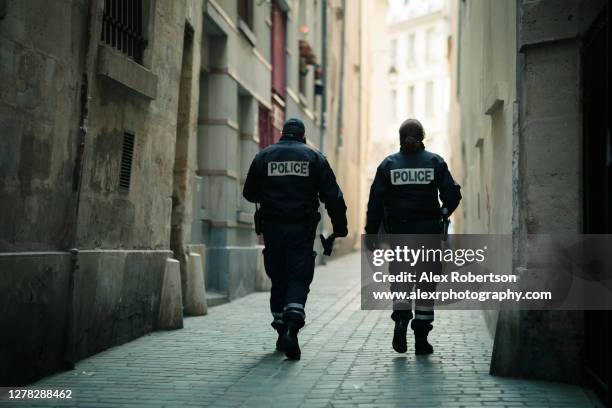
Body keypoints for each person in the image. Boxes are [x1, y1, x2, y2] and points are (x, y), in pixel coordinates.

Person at [243, 118, 348, 360]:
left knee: (278, 279)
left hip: (272, 229)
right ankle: (292, 327)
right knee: (298, 279)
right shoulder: (315, 158)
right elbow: (334, 197)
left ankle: (281, 330)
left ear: (283, 134)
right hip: (301, 230)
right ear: (302, 136)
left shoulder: (264, 156)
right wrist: (340, 229)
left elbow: (249, 193)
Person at [365, 118, 461, 355]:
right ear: (423, 137)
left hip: (400, 236)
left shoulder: (388, 165)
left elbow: (375, 203)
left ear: (400, 138)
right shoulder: (435, 162)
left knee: (401, 281)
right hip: (429, 235)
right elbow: (452, 194)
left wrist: (371, 233)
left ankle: (400, 320)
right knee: (426, 285)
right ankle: (421, 338)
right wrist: (444, 211)